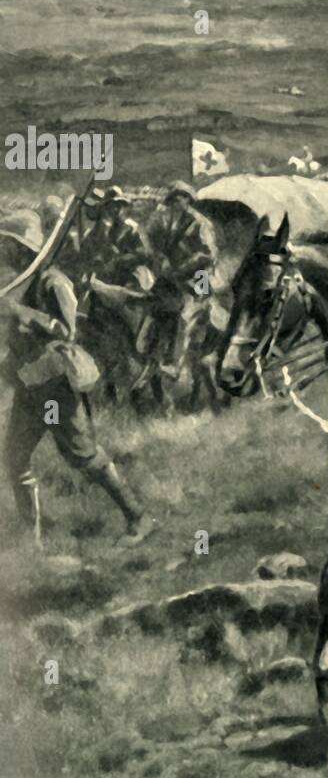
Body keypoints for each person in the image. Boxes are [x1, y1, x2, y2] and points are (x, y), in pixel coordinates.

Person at [1, 216, 155, 546]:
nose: (5, 249)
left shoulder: (52, 282)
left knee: (83, 455)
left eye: (10, 244)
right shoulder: (19, 282)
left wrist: (22, 313)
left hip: (55, 384)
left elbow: (67, 331)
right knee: (15, 458)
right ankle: (32, 538)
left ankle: (138, 517)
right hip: (30, 385)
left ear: (25, 248)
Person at [147, 182, 218, 377]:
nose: (177, 202)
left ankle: (176, 364)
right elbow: (159, 248)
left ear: (188, 200)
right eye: (174, 199)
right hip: (173, 275)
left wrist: (183, 268)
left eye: (181, 198)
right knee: (155, 307)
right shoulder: (168, 220)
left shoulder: (199, 223)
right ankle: (153, 355)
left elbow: (207, 254)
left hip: (199, 274)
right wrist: (163, 264)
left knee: (190, 315)